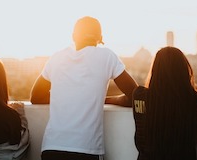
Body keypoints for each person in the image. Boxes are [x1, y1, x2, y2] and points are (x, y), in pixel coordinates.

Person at [30, 16, 138, 160]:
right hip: (86, 150)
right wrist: (106, 100)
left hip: (52, 148)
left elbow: (35, 97)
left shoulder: (57, 58)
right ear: (100, 38)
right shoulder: (106, 57)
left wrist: (66, 98)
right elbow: (135, 95)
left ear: (73, 36)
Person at [132, 47, 197, 160]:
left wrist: (106, 99)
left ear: (155, 69)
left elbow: (127, 98)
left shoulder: (140, 96)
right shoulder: (192, 100)